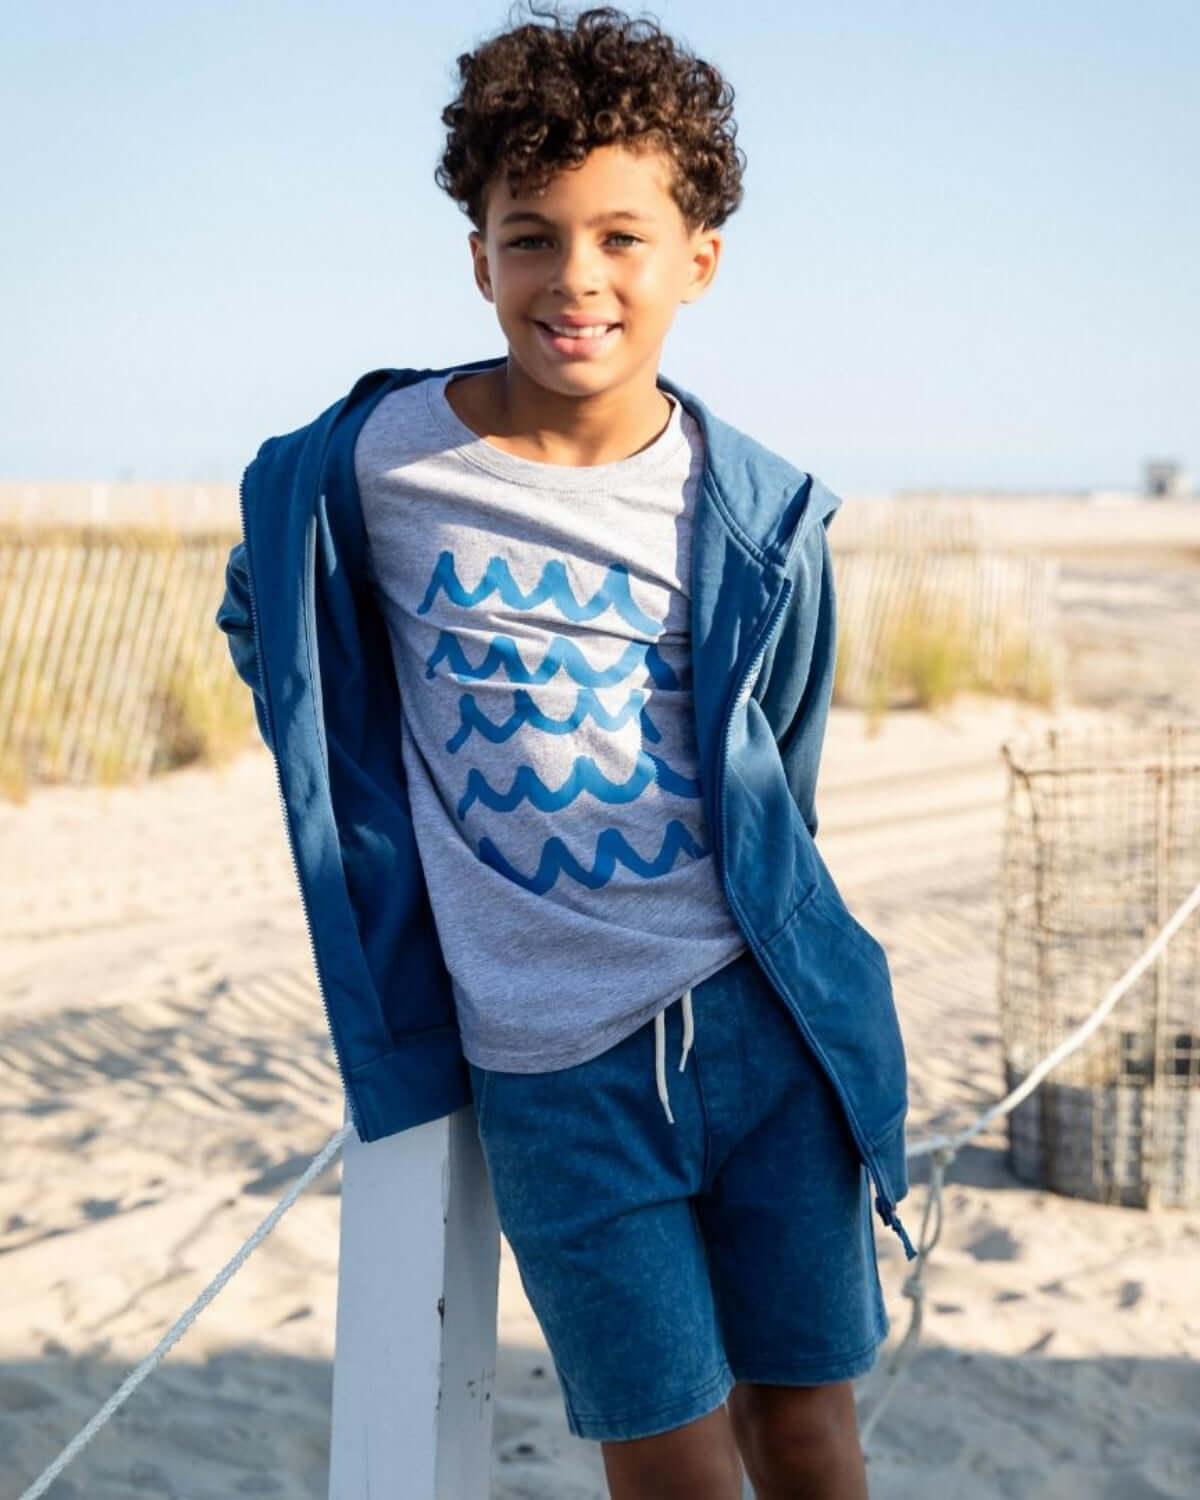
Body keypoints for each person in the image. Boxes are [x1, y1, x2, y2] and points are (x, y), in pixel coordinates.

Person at [216, 4, 914, 1495]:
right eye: (531, 237)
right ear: (479, 257)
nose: (575, 278)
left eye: (621, 238)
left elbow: (782, 770)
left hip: (770, 1029)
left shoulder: (757, 510)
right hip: (551, 1069)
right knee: (666, 1458)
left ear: (698, 260)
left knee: (807, 1433)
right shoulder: (377, 465)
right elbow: (277, 631)